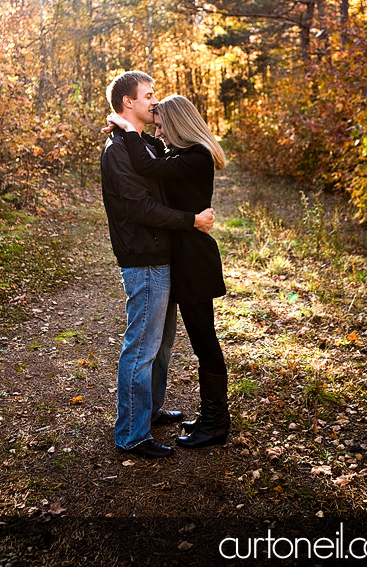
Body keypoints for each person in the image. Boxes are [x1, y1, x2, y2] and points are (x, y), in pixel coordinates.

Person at [100, 71, 216, 459]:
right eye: (148, 95)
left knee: (161, 345)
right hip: (144, 256)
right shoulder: (118, 150)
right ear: (127, 103)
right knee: (142, 347)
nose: (155, 102)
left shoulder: (146, 144)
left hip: (163, 256)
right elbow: (140, 207)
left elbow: (168, 174)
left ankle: (148, 410)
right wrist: (191, 221)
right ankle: (132, 434)